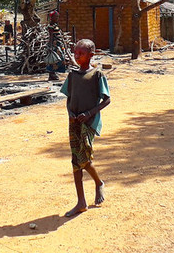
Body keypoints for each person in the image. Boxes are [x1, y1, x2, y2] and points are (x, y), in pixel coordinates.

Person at [60, 38, 111, 217]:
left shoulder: (97, 75)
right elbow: (68, 97)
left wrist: (89, 113)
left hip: (88, 122)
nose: (77, 56)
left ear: (91, 55)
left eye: (81, 53)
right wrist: (70, 113)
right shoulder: (73, 75)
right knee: (76, 161)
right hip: (73, 122)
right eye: (75, 53)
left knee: (84, 157)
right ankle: (81, 202)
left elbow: (107, 100)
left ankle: (98, 182)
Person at [44, 10, 67, 80]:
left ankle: (53, 73)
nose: (57, 18)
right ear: (52, 17)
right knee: (54, 59)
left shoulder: (55, 25)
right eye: (56, 17)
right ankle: (52, 74)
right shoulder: (50, 26)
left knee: (59, 59)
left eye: (58, 17)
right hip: (54, 45)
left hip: (58, 45)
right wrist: (50, 46)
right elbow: (50, 36)